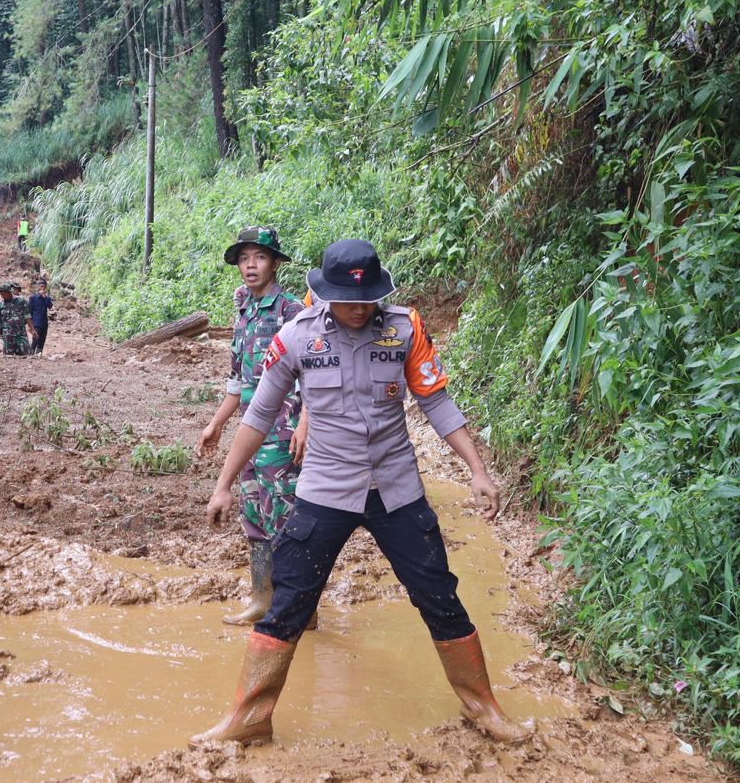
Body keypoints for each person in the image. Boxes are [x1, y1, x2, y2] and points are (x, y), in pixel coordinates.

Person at [194, 239, 532, 746]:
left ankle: (483, 708)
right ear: (324, 293)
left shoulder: (405, 328)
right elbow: (259, 415)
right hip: (325, 489)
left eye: (366, 299)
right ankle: (248, 718)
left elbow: (436, 402)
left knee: (439, 596)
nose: (357, 309)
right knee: (288, 601)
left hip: (395, 489)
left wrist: (477, 471)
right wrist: (223, 485)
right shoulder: (295, 337)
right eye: (346, 300)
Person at [196, 227, 305, 626]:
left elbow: (314, 375)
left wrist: (305, 424)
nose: (250, 266)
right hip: (251, 434)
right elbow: (236, 380)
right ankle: (262, 600)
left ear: (275, 263)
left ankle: (300, 609)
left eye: (259, 257)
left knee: (288, 518)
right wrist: (215, 425)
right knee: (256, 515)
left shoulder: (291, 312)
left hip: (285, 431)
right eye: (244, 259)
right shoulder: (243, 311)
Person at [0, 282, 30, 356]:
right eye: (1, 293)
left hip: (21, 332)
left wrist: (32, 329)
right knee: (8, 356)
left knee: (26, 354)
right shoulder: (0, 304)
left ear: (9, 292)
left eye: (4, 293)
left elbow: (27, 316)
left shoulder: (21, 301)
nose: (2, 295)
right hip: (7, 334)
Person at [27, 280, 53, 356]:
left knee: (42, 340)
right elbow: (30, 311)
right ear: (38, 287)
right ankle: (31, 355)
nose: (42, 288)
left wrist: (44, 297)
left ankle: (38, 355)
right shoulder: (33, 298)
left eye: (44, 287)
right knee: (35, 339)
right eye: (41, 286)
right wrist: (29, 325)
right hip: (36, 323)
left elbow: (50, 306)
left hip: (44, 323)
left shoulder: (47, 298)